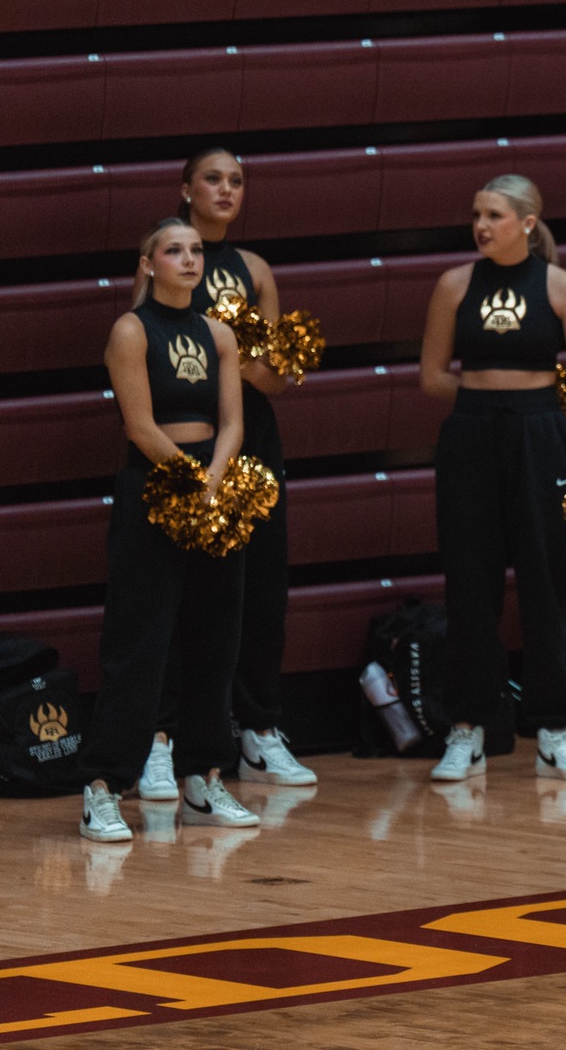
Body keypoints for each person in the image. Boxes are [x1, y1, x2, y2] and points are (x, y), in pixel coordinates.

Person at [419, 175, 566, 786]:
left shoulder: (563, 288)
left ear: (528, 222)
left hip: (542, 436)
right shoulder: (453, 285)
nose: (481, 226)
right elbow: (432, 376)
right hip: (471, 436)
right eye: (476, 215)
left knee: (545, 581)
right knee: (470, 584)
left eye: (494, 215)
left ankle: (555, 731)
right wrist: (486, 396)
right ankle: (468, 729)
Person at [80, 219, 262, 843]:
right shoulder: (131, 331)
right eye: (174, 250)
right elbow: (139, 425)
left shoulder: (219, 333)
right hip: (155, 488)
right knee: (140, 641)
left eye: (196, 251)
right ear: (148, 263)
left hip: (214, 489)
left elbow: (233, 422)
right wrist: (189, 479)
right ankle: (103, 787)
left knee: (216, 638)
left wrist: (214, 481)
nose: (189, 259)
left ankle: (203, 782)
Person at [144, 149, 315, 793]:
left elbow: (273, 377)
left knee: (261, 588)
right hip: (184, 435)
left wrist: (229, 348)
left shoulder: (255, 269)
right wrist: (221, 345)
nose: (226, 190)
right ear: (186, 188)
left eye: (236, 181)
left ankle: (258, 730)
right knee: (176, 593)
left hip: (251, 436)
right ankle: (161, 738)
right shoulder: (164, 256)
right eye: (213, 179)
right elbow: (147, 345)